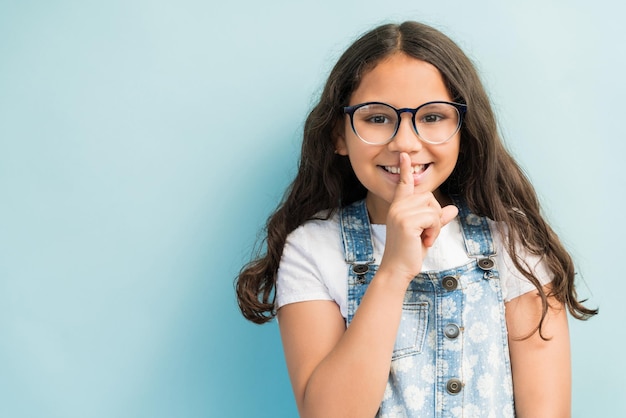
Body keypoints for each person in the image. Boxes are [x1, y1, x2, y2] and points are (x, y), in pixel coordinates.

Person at [235, 21, 596, 417]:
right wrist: (392, 271)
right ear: (340, 134)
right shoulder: (313, 250)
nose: (405, 143)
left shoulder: (512, 241)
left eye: (432, 117)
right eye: (376, 118)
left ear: (463, 129)